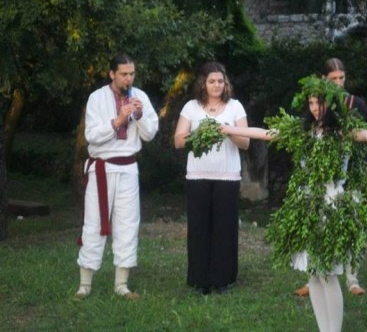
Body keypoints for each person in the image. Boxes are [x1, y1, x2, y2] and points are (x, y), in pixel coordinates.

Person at [220, 76, 367, 332]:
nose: (313, 108)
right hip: (308, 206)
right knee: (313, 273)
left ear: (330, 105)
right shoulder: (304, 131)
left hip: (332, 206)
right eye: (310, 102)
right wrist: (231, 130)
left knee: (328, 273)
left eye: (318, 103)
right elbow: (267, 134)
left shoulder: (342, 132)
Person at [74, 53, 159, 300]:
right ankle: (84, 286)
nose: (128, 78)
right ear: (112, 74)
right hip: (102, 167)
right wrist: (118, 120)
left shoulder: (139, 96)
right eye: (123, 74)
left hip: (128, 168)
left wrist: (140, 116)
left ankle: (121, 285)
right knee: (93, 223)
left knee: (128, 223)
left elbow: (150, 134)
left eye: (131, 73)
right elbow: (91, 135)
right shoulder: (97, 98)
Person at [294, 57, 367, 297]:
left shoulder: (355, 103)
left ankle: (352, 279)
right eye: (333, 78)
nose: (338, 82)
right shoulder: (318, 105)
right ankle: (313, 276)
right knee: (318, 223)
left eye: (342, 78)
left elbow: (366, 135)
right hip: (321, 177)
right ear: (324, 80)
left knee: (349, 225)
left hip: (349, 171)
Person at [174, 61, 249, 295]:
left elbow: (245, 142)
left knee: (224, 228)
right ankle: (200, 280)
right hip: (198, 176)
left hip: (227, 176)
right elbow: (178, 141)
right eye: (211, 81)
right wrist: (198, 134)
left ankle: (223, 279)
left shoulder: (235, 107)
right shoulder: (191, 107)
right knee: (199, 228)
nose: (216, 85)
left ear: (225, 83)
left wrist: (229, 131)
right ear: (203, 83)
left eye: (220, 81)